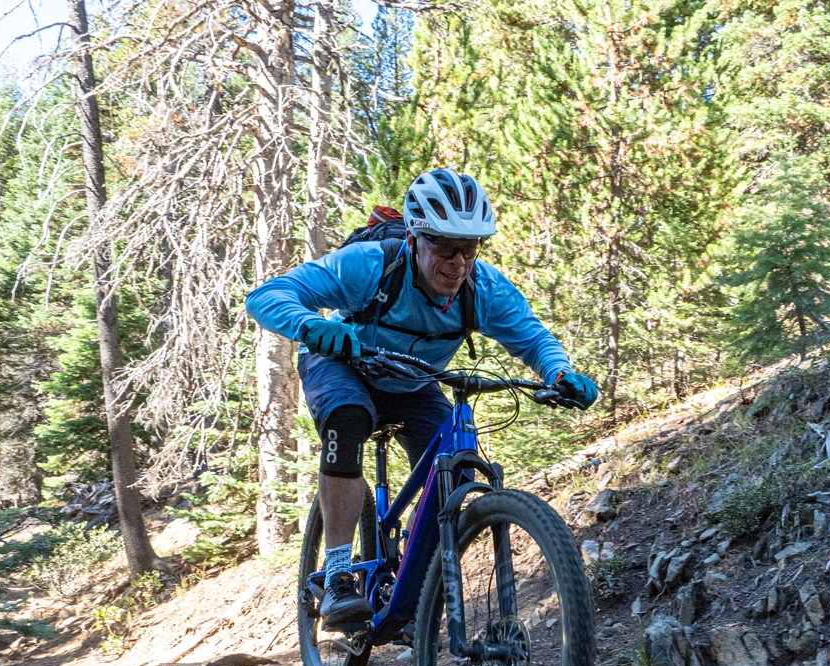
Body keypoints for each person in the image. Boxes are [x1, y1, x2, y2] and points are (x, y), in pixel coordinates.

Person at [245, 168, 598, 627]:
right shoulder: (371, 265)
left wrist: (560, 372)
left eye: (468, 249)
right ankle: (335, 577)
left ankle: (416, 586)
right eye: (444, 247)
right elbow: (268, 294)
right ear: (414, 237)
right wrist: (312, 325)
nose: (457, 263)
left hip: (413, 382)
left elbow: (533, 338)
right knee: (348, 417)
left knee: (458, 466)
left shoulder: (482, 289)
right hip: (341, 364)